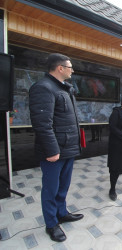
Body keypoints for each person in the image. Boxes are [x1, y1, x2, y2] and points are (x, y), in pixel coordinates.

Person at [29, 53, 83, 242]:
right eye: (70, 67)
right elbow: (42, 124)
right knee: (50, 189)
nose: (72, 70)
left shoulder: (64, 89)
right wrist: (52, 150)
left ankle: (61, 213)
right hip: (55, 152)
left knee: (63, 186)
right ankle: (51, 223)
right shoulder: (43, 88)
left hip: (67, 148)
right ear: (60, 68)